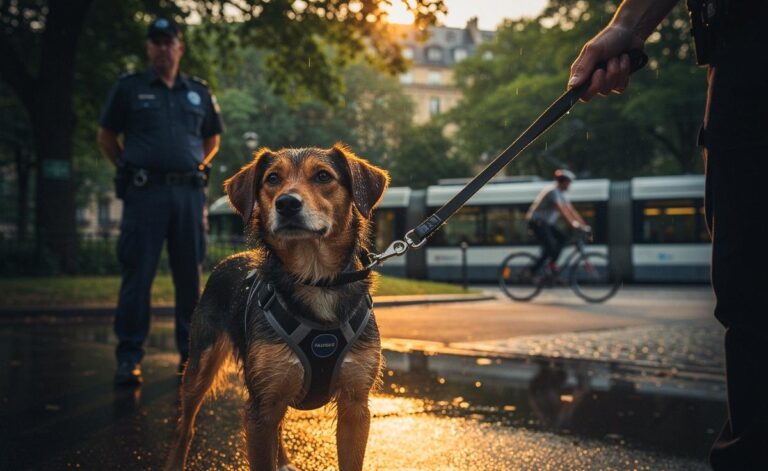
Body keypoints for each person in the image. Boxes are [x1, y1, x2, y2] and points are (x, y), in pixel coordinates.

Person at [567, 0, 768, 468]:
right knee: (752, 300)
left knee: (753, 303)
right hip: (743, 58)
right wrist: (626, 27)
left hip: (745, 61)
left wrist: (628, 27)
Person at [97, 17, 223, 386]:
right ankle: (129, 357)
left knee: (190, 279)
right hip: (145, 194)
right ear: (149, 48)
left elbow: (212, 139)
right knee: (138, 276)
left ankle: (191, 357)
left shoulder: (197, 91)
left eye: (169, 42)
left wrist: (198, 165)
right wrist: (128, 166)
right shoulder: (130, 88)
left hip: (187, 194)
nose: (163, 48)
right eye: (156, 42)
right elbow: (106, 135)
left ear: (180, 47)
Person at [526, 169, 591, 279]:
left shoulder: (562, 194)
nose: (570, 185)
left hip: (547, 223)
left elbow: (571, 211)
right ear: (563, 182)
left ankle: (551, 264)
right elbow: (561, 210)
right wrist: (573, 225)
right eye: (569, 182)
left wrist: (584, 225)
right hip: (537, 222)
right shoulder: (552, 191)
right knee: (550, 247)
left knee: (563, 238)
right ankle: (531, 272)